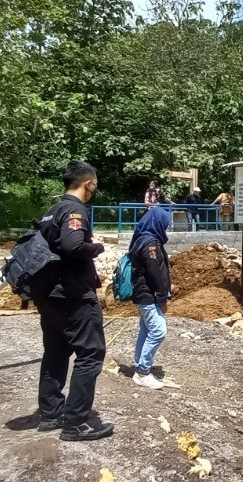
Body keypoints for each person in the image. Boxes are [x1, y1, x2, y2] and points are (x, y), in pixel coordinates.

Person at [32, 161, 113, 441]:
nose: (95, 189)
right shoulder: (75, 209)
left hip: (50, 295)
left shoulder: (52, 210)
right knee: (90, 354)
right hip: (73, 295)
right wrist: (98, 246)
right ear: (88, 183)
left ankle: (51, 413)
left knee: (56, 353)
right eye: (95, 184)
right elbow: (73, 245)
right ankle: (76, 422)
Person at [129, 205, 173, 390]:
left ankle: (140, 365)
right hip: (148, 295)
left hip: (144, 294)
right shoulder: (150, 244)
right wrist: (162, 298)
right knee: (158, 331)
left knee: (146, 329)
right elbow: (154, 273)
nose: (166, 227)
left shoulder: (143, 239)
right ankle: (143, 372)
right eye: (165, 223)